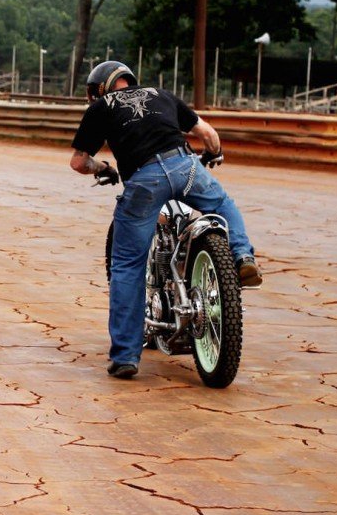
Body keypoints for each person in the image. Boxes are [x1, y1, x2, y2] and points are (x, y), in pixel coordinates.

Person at [69, 60, 262, 380]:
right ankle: (242, 255)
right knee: (222, 204)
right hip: (185, 167)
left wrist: (103, 169)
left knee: (127, 264)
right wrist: (212, 154)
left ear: (100, 88)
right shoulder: (163, 94)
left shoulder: (101, 107)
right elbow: (208, 134)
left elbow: (78, 162)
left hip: (144, 182)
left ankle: (125, 356)